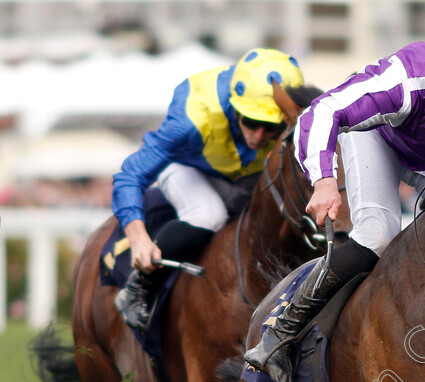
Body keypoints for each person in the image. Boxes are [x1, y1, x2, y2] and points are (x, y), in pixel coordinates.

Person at [244, 12, 425, 382]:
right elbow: (322, 111)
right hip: (378, 139)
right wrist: (324, 181)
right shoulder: (407, 80)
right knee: (379, 234)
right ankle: (282, 331)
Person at [112, 48, 304, 331]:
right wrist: (138, 238)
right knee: (208, 213)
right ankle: (138, 287)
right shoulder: (190, 121)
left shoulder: (298, 117)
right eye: (251, 122)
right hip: (187, 166)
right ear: (235, 106)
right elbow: (130, 174)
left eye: (270, 127)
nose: (259, 136)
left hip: (244, 174)